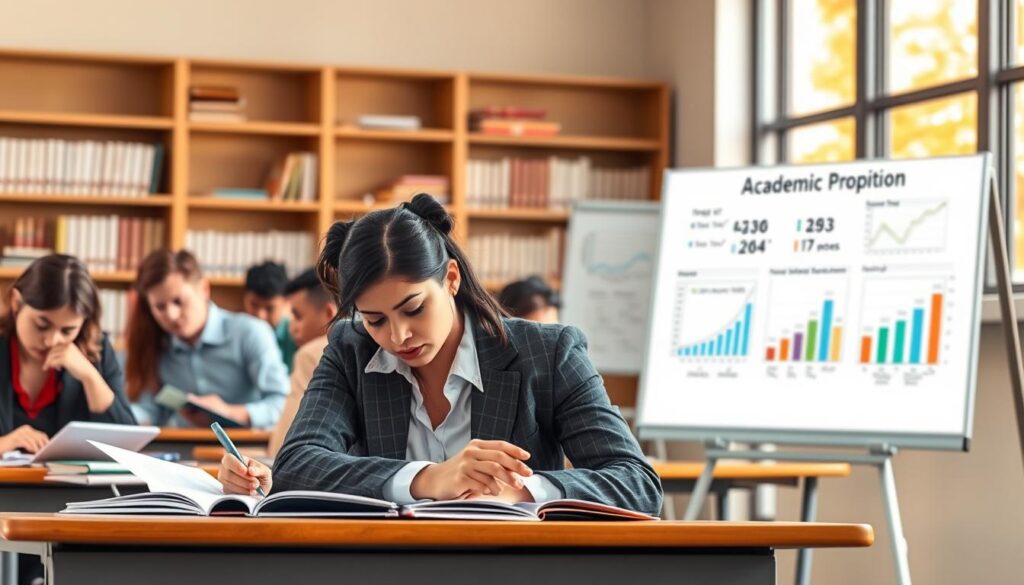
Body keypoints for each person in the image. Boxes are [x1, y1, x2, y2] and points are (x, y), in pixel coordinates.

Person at [218, 194, 662, 515]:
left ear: (450, 278)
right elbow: (298, 464)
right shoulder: (350, 351)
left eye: (414, 308)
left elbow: (637, 484)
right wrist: (430, 478)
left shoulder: (549, 352)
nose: (398, 336)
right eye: (375, 319)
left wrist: (521, 490)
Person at [0, 255, 137, 585]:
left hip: (68, 507)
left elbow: (129, 443)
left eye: (68, 330)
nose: (51, 341)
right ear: (17, 304)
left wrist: (90, 376)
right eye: (42, 325)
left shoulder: (97, 351)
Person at [125, 250, 289, 429]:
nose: (171, 315)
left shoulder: (251, 332)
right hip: (181, 449)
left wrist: (230, 412)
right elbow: (151, 411)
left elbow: (283, 403)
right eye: (160, 307)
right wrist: (118, 415)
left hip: (246, 451)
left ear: (204, 289)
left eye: (178, 301)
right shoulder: (155, 345)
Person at [267, 268, 338, 456]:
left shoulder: (311, 354)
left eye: (298, 317)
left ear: (329, 314)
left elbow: (282, 450)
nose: (292, 328)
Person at [243, 261, 297, 372]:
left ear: (286, 301)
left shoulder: (296, 337)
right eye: (254, 305)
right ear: (244, 297)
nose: (260, 315)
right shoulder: (235, 333)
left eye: (270, 308)